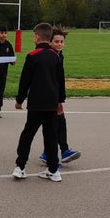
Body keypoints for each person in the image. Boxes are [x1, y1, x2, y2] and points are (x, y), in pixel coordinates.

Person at [12, 23, 66, 182]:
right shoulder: (56, 56)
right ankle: (54, 170)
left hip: (36, 103)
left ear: (37, 37)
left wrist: (19, 99)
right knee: (51, 136)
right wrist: (60, 101)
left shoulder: (32, 55)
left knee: (28, 134)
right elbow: (60, 81)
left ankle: (20, 167)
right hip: (51, 103)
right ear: (50, 38)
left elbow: (25, 80)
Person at [41, 27, 80, 166]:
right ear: (50, 42)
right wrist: (57, 100)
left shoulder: (59, 56)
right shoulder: (50, 56)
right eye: (56, 41)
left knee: (58, 124)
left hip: (55, 97)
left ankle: (61, 151)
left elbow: (60, 80)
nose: (59, 44)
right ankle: (50, 154)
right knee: (52, 125)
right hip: (48, 98)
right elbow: (51, 80)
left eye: (61, 41)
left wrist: (60, 99)